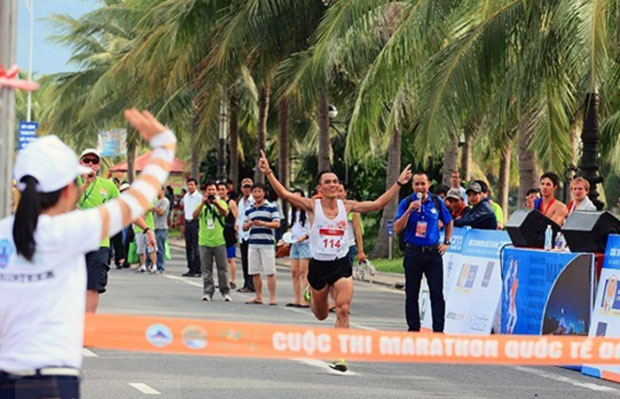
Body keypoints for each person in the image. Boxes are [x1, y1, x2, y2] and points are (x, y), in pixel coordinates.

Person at [0, 109, 175, 398]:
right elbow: (137, 200)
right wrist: (164, 145)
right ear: (70, 190)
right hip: (53, 379)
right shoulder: (73, 231)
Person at [259, 150, 412, 372]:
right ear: (320, 188)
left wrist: (398, 182)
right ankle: (311, 292)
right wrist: (268, 172)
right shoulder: (313, 206)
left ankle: (339, 354)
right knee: (321, 315)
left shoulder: (347, 206)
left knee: (342, 309)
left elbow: (378, 204)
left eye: (335, 182)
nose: (333, 185)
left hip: (341, 265)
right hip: (319, 266)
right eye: (328, 182)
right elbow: (284, 194)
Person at [76, 148, 154, 313]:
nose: (90, 164)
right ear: (80, 162)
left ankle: (88, 325)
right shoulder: (69, 181)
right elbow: (66, 204)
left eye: (94, 161)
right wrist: (85, 185)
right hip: (73, 243)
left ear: (99, 165)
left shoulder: (108, 186)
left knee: (93, 286)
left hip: (99, 243)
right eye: (86, 160)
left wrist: (147, 229)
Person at [394, 171, 453, 333]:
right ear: (412, 186)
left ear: (428, 185)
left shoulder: (436, 201)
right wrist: (409, 211)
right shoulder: (406, 203)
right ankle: (413, 329)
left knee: (437, 293)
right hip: (413, 253)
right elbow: (397, 228)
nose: (420, 187)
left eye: (423, 184)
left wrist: (447, 242)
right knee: (412, 294)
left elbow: (449, 221)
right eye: (416, 184)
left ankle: (438, 330)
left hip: (433, 254)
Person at [243, 183, 280, 305]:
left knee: (270, 271)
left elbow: (277, 224)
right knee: (254, 271)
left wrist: (263, 223)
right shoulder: (249, 209)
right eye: (254, 192)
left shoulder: (271, 207)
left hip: (267, 243)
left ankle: (272, 297)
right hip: (253, 242)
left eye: (259, 191)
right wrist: (248, 224)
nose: (257, 194)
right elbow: (243, 227)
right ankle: (258, 296)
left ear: (264, 193)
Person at [194, 182, 231, 302]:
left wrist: (216, 203)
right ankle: (208, 292)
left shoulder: (222, 203)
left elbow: (225, 213)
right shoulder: (201, 204)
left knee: (223, 268)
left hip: (219, 241)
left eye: (214, 190)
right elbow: (194, 216)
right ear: (205, 192)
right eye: (209, 190)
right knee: (206, 269)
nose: (211, 192)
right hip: (204, 241)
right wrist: (202, 204)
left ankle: (225, 291)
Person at [286, 189, 311, 308]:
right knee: (294, 272)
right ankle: (296, 298)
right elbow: (292, 227)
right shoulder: (292, 212)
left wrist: (305, 236)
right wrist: (287, 237)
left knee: (303, 272)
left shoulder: (308, 211)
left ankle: (305, 298)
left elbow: (315, 227)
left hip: (306, 243)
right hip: (295, 243)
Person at [218, 182, 239, 289]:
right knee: (220, 258)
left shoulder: (231, 203)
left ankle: (233, 280)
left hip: (229, 232)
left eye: (223, 189)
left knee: (230, 258)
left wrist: (236, 229)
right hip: (218, 232)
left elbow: (237, 217)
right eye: (219, 189)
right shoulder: (215, 202)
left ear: (227, 191)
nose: (221, 191)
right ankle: (222, 280)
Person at [236, 177, 255, 292]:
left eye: (249, 187)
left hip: (251, 234)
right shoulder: (241, 201)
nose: (247, 189)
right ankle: (246, 283)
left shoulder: (254, 201)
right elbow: (239, 217)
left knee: (251, 261)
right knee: (244, 260)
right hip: (243, 234)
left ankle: (252, 284)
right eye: (245, 186)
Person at [182, 178, 202, 277]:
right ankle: (190, 268)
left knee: (196, 246)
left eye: (192, 185)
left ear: (196, 186)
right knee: (188, 246)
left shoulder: (199, 197)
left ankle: (197, 268)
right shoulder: (185, 196)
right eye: (188, 185)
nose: (190, 187)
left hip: (196, 222)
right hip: (188, 221)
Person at [154, 187, 170, 273]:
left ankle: (161, 266)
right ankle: (154, 265)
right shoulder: (154, 201)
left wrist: (153, 208)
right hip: (154, 227)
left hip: (161, 227)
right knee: (153, 248)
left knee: (160, 248)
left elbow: (161, 212)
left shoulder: (165, 201)